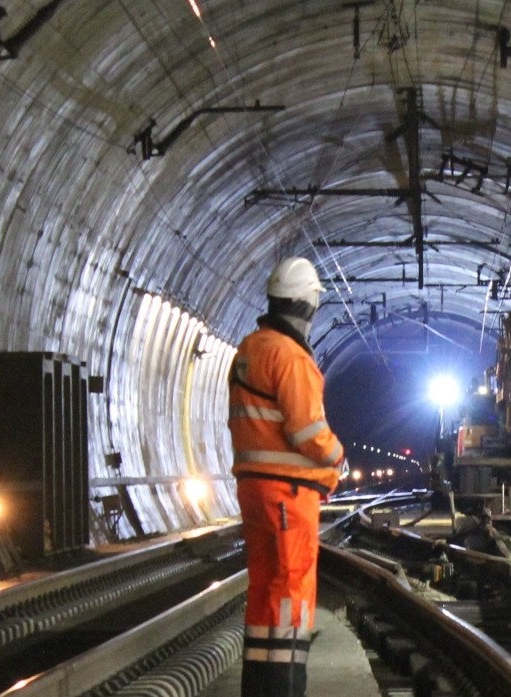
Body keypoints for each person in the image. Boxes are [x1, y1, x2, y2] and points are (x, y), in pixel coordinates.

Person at [229, 257, 346, 697]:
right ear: (308, 306)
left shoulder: (249, 348)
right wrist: (338, 456)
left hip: (254, 490)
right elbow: (309, 434)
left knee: (264, 591)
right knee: (290, 593)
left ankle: (259, 686)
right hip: (287, 495)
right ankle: (284, 688)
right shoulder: (291, 357)